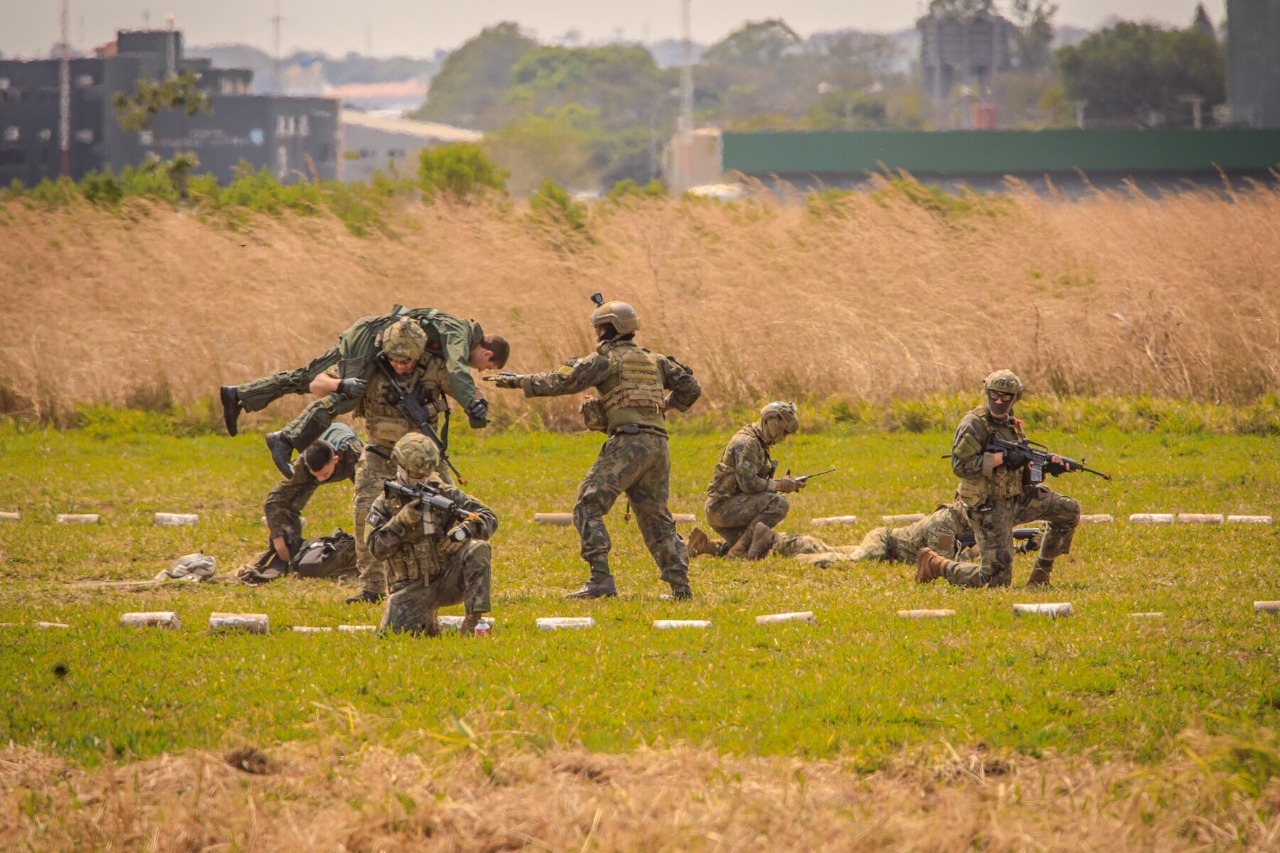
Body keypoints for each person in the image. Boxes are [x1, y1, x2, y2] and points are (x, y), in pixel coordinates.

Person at [484, 298, 701, 599]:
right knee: (657, 517)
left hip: (627, 443)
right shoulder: (656, 360)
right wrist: (666, 406)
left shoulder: (605, 359)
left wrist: (518, 381)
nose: (597, 334)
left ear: (609, 329)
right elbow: (691, 388)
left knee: (588, 505)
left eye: (599, 328)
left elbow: (562, 381)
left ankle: (600, 579)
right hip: (658, 445)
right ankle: (681, 588)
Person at [218, 306, 509, 473]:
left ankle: (240, 394)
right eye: (487, 366)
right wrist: (474, 411)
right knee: (348, 393)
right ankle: (285, 439)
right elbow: (458, 372)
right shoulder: (460, 334)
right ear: (487, 353)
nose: (480, 371)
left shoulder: (454, 334)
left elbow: (451, 375)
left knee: (307, 376)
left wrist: (478, 400)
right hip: (370, 339)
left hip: (370, 337)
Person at [916, 369, 1080, 588]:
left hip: (1017, 498)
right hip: (989, 506)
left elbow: (1020, 470)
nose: (999, 401)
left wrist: (1046, 466)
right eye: (994, 395)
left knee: (1068, 510)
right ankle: (936, 564)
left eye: (1005, 397)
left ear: (1016, 398)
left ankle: (1041, 572)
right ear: (987, 393)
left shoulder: (1011, 424)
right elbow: (960, 466)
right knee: (995, 581)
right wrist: (1000, 458)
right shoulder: (973, 424)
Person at [341, 318, 459, 604]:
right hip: (380, 454)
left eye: (407, 361)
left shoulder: (433, 368)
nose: (400, 365)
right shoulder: (369, 366)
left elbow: (464, 390)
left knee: (452, 511)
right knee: (365, 515)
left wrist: (475, 402)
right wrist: (343, 384)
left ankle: (451, 580)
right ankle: (372, 588)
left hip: (424, 458)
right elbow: (323, 383)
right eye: (394, 359)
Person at [366, 433, 497, 636]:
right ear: (400, 467)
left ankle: (473, 622)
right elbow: (376, 549)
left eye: (427, 474)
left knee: (478, 549)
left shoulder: (443, 493)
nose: (424, 479)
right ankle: (428, 621)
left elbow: (488, 516)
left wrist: (464, 530)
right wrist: (399, 522)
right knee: (394, 635)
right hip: (411, 588)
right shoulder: (384, 504)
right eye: (417, 475)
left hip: (447, 578)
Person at [740, 502, 1043, 567]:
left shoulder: (966, 524)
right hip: (887, 543)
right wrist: (975, 554)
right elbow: (943, 564)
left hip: (889, 547)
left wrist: (1019, 548)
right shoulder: (944, 524)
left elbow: (982, 544)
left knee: (831, 547)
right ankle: (801, 561)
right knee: (855, 561)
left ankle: (775, 540)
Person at [687, 402, 806, 560]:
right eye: (784, 432)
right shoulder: (747, 443)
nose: (784, 438)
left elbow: (754, 483)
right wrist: (780, 485)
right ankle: (738, 552)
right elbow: (748, 484)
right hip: (722, 508)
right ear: (772, 423)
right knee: (779, 503)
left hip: (730, 507)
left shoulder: (758, 443)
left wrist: (787, 484)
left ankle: (706, 545)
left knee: (760, 545)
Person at [263, 423, 364, 563]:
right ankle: (292, 549)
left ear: (335, 460)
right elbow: (275, 500)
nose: (320, 479)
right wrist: (277, 537)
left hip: (347, 451)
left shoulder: (354, 454)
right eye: (316, 475)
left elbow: (377, 490)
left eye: (324, 474)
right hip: (320, 448)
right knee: (286, 502)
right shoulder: (303, 465)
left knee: (367, 500)